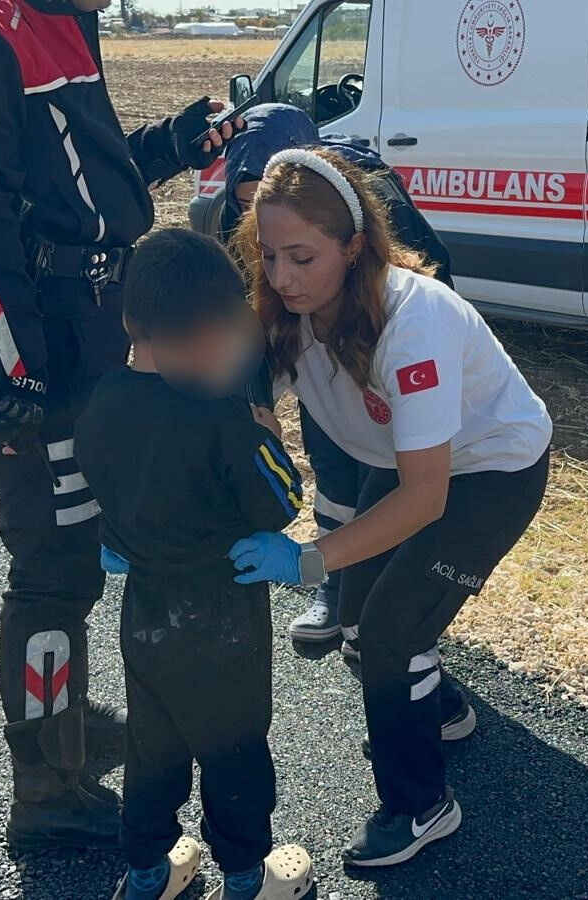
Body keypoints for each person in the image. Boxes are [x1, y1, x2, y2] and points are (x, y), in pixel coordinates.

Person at [0, 0, 241, 850]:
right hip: (38, 339)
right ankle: (47, 788)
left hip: (95, 325)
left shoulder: (61, 18)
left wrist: (168, 145)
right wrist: (13, 366)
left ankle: (62, 712)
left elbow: (76, 175)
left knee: (83, 550)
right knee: (52, 569)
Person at [226, 147, 552, 867]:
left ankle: (421, 807)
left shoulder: (413, 325)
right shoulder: (289, 306)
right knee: (353, 622)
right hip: (407, 468)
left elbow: (427, 497)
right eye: (269, 255)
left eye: (302, 258)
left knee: (386, 636)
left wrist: (310, 558)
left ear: (354, 245)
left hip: (491, 474)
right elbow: (243, 394)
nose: (281, 277)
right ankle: (442, 712)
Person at [75, 229, 314, 900]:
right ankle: (247, 876)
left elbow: (101, 481)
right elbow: (278, 505)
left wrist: (119, 535)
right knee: (233, 747)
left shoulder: (105, 402)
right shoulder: (224, 419)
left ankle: (149, 871)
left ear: (130, 321)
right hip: (223, 616)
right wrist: (270, 439)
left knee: (153, 746)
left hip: (146, 615)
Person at [216, 103, 454, 644]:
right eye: (247, 208)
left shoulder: (366, 205)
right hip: (318, 352)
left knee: (391, 479)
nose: (259, 219)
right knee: (332, 460)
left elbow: (430, 278)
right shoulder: (254, 230)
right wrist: (256, 408)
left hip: (379, 359)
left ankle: (379, 602)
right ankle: (337, 589)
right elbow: (254, 332)